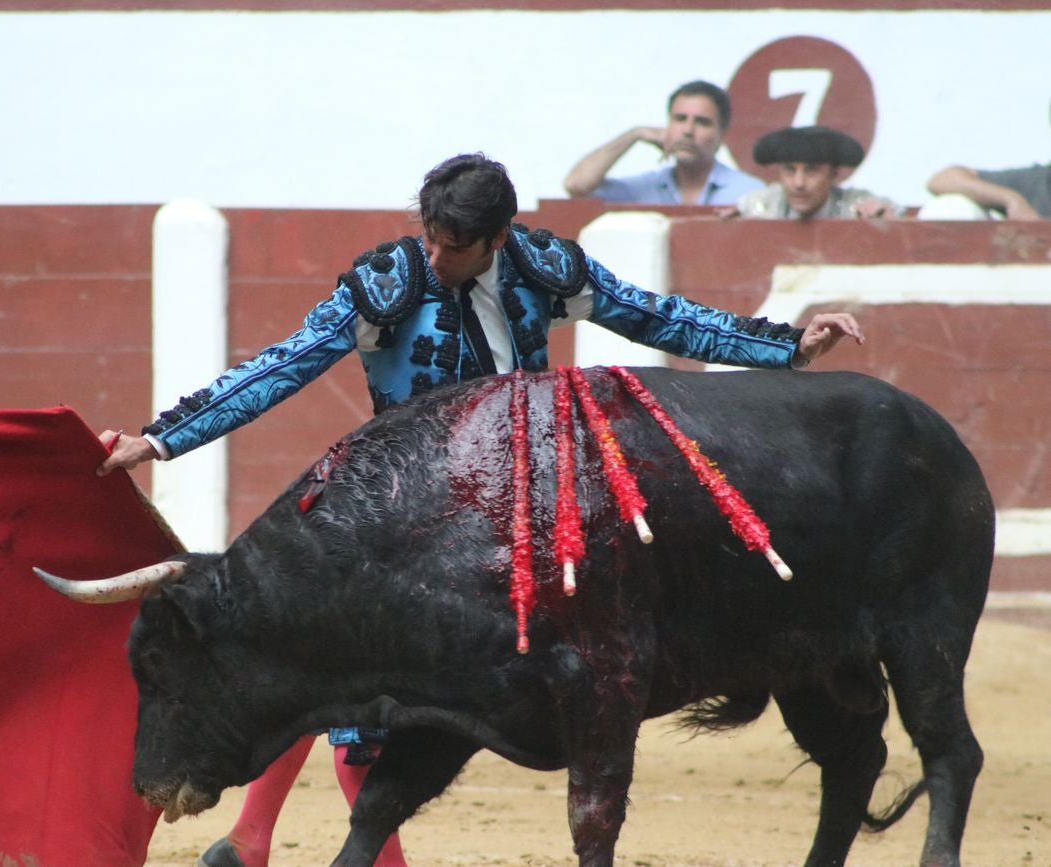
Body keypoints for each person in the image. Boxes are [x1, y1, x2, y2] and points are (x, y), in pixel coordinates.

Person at [98, 153, 865, 867]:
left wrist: (786, 347)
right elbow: (284, 363)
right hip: (400, 515)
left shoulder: (539, 268)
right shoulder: (389, 284)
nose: (437, 257)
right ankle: (256, 834)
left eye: (457, 246)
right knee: (312, 654)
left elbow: (657, 317)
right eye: (430, 237)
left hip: (518, 511)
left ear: (498, 238)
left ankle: (260, 838)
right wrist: (162, 439)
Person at [562, 80, 763, 205]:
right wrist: (634, 135)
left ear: (722, 135)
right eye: (680, 119)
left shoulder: (750, 192)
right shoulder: (643, 188)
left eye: (702, 122)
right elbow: (576, 185)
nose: (688, 131)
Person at [733, 125, 902, 220]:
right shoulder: (760, 204)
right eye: (790, 170)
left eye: (811, 171)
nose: (799, 183)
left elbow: (893, 212)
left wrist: (881, 214)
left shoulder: (854, 205)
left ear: (834, 175)